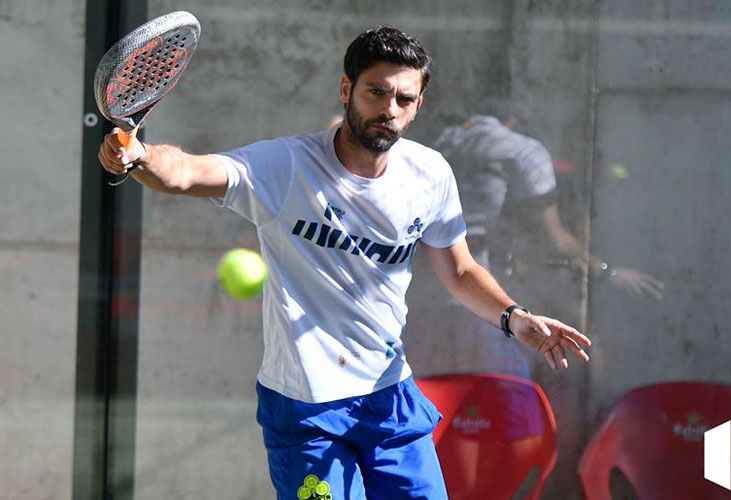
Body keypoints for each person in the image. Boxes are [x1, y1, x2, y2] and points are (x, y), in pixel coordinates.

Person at [98, 26, 591, 500]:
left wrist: (512, 317)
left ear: (419, 106)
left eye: (403, 99)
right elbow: (185, 172)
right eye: (376, 92)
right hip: (306, 412)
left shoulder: (431, 175)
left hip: (390, 399)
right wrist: (139, 155)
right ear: (346, 89)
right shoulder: (285, 167)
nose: (389, 109)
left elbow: (459, 271)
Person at [434, 114, 665, 308]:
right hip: (481, 300)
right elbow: (556, 241)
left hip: (435, 293)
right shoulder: (526, 155)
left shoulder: (444, 143)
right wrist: (610, 275)